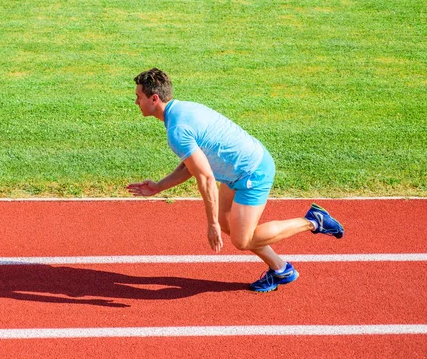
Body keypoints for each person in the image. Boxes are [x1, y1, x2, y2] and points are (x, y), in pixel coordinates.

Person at [127, 68, 344, 292]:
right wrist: (159, 186)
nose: (136, 102)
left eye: (138, 97)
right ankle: (281, 269)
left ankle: (313, 221)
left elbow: (206, 178)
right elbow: (193, 166)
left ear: (154, 98)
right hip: (235, 170)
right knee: (227, 223)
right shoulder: (180, 110)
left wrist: (210, 225)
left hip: (252, 172)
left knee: (242, 240)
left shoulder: (177, 129)